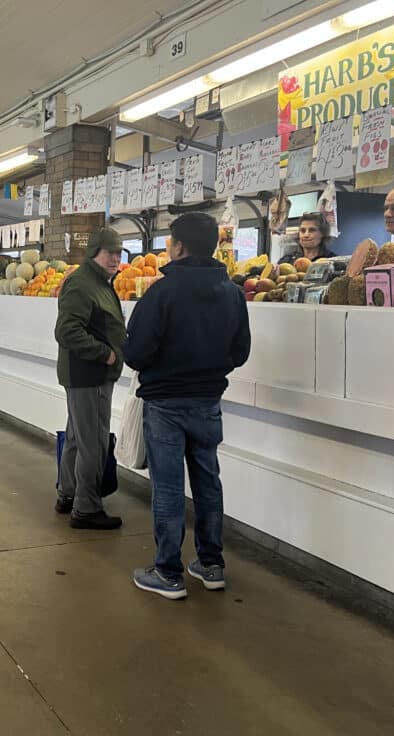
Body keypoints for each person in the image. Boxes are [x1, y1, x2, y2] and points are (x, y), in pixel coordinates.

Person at [124, 212, 251, 600]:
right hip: (208, 399)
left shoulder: (161, 293)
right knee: (208, 481)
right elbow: (240, 352)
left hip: (165, 402)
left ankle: (167, 572)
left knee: (168, 487)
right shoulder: (232, 292)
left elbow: (136, 353)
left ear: (178, 246)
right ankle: (211, 565)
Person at [54, 227, 127, 530]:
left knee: (77, 437)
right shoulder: (83, 284)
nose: (115, 258)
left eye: (119, 253)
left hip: (87, 374)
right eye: (109, 252)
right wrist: (105, 354)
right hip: (90, 375)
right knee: (93, 442)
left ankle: (68, 494)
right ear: (94, 251)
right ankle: (86, 508)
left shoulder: (98, 281)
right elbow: (66, 331)